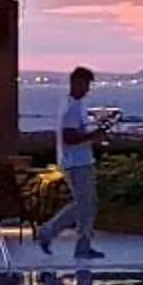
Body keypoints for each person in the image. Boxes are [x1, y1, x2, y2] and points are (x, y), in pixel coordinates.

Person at [35, 66, 108, 261]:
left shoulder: (74, 105)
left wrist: (91, 135)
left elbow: (75, 133)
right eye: (85, 84)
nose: (87, 89)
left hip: (80, 161)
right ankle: (50, 233)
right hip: (77, 163)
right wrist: (93, 136)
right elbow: (69, 137)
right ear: (75, 82)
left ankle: (81, 244)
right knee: (84, 204)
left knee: (86, 205)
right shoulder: (71, 108)